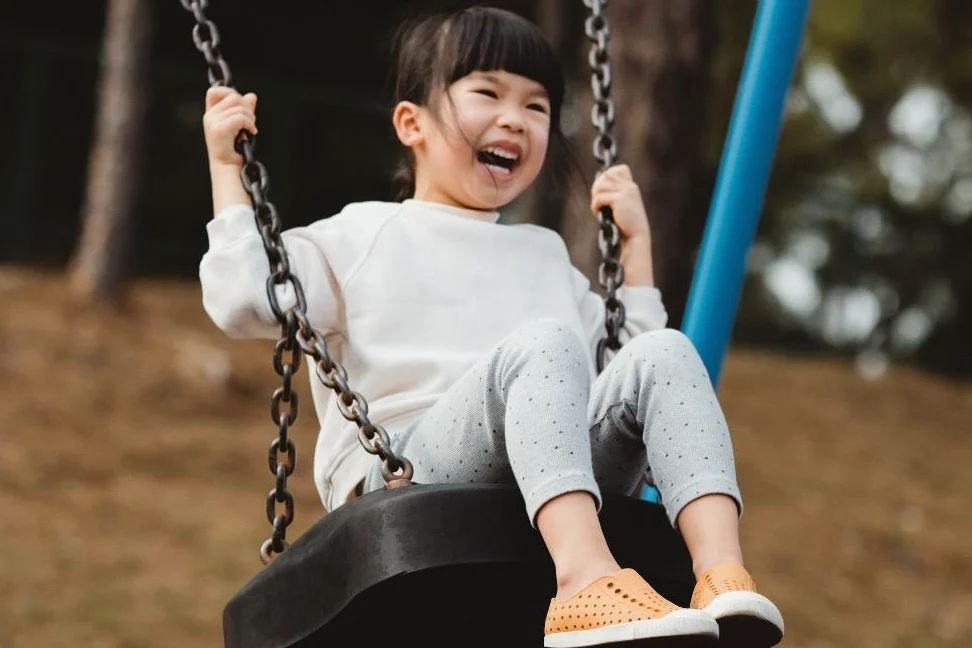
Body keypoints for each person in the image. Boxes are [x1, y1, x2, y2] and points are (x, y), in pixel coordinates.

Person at [198, 6, 784, 647]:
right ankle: (586, 582)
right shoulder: (362, 234)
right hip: (411, 469)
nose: (515, 118)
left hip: (557, 461)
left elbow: (628, 372)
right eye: (487, 93)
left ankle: (720, 575)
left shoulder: (545, 253)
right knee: (544, 344)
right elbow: (244, 301)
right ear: (410, 123)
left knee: (667, 353)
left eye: (537, 106)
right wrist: (229, 175)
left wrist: (635, 251)